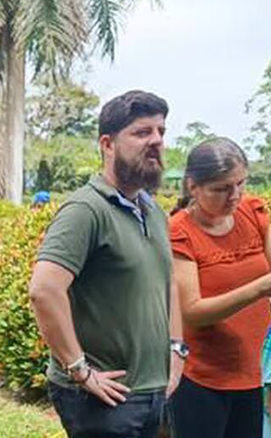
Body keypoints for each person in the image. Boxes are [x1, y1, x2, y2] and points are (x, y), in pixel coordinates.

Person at [28, 90, 183, 438]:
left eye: (161, 131)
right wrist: (79, 370)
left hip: (152, 390)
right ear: (107, 144)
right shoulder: (86, 210)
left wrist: (177, 350)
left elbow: (168, 283)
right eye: (142, 132)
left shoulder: (153, 211)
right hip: (104, 398)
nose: (156, 141)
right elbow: (44, 291)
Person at [166, 138, 270, 438]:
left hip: (251, 374)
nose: (234, 195)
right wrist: (259, 288)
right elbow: (192, 312)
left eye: (240, 184)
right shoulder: (179, 231)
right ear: (193, 187)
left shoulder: (252, 211)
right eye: (222, 188)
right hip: (202, 378)